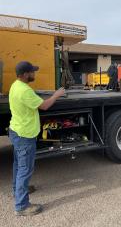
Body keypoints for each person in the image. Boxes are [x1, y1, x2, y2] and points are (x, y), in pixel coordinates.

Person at [9, 61, 65, 216]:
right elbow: (45, 105)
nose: (34, 73)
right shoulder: (25, 91)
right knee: (25, 170)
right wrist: (56, 95)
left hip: (16, 131)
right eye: (32, 71)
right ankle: (21, 206)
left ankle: (18, 190)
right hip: (25, 135)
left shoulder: (16, 85)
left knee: (18, 166)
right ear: (26, 74)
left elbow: (31, 101)